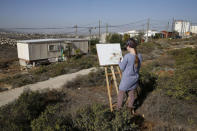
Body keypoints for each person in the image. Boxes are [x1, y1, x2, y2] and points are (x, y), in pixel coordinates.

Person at [117, 38, 142, 114]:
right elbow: (138, 67)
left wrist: (119, 61)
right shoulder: (140, 55)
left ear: (129, 46)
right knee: (131, 94)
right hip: (135, 78)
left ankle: (118, 110)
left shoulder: (127, 56)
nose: (126, 47)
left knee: (121, 93)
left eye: (126, 46)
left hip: (127, 79)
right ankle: (130, 110)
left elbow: (122, 67)